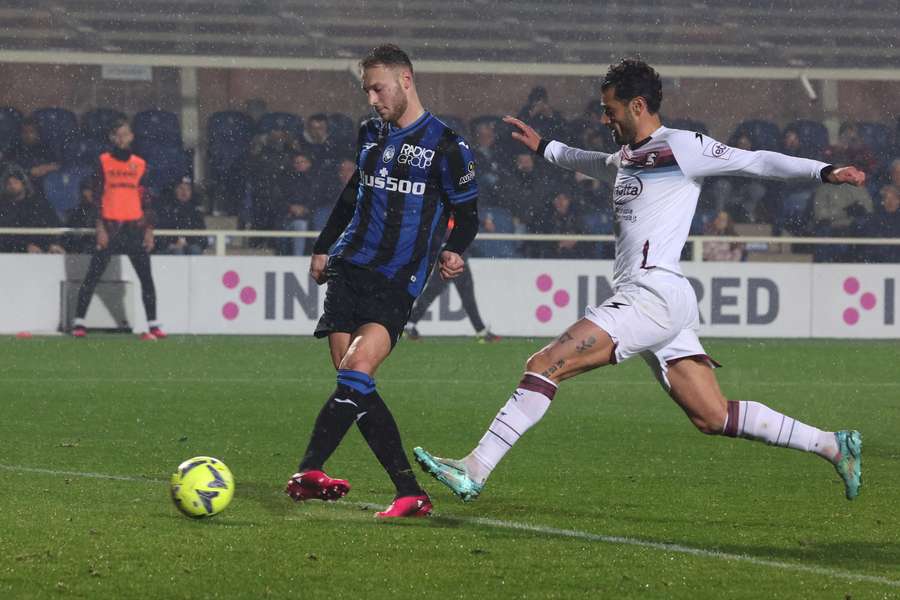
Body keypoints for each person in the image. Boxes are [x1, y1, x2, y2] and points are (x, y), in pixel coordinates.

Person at [414, 58, 865, 505]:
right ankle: (831, 444)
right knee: (711, 415)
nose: (603, 117)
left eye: (610, 109)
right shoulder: (626, 158)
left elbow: (756, 162)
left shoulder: (683, 147)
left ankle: (474, 467)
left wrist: (822, 171)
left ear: (638, 105)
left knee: (544, 364)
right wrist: (543, 146)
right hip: (661, 301)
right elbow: (586, 161)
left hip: (651, 299)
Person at [284, 44, 479, 518]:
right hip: (348, 268)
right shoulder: (370, 133)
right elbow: (353, 193)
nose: (372, 99)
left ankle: (310, 469)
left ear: (406, 80)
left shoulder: (448, 146)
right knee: (356, 386)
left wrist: (455, 249)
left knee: (354, 377)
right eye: (367, 90)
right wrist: (323, 245)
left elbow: (467, 213)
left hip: (395, 278)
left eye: (379, 88)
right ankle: (410, 494)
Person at [71, 119, 165, 340]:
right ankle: (79, 322)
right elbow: (96, 197)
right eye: (117, 135)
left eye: (125, 134)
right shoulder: (103, 162)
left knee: (146, 278)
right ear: (112, 138)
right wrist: (99, 227)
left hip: (134, 228)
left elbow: (147, 200)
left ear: (131, 136)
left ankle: (154, 325)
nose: (121, 138)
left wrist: (149, 229)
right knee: (93, 275)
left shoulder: (140, 164)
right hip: (111, 227)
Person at [404, 217, 499, 343]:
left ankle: (410, 324)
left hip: (446, 250)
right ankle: (481, 332)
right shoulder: (453, 206)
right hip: (453, 252)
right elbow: (466, 214)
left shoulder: (442, 208)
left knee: (433, 292)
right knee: (465, 295)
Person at [0, 164, 64, 254]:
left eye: (15, 182)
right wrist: (24, 247)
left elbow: (53, 225)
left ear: (23, 184)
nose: (12, 186)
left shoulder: (39, 205)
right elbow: (5, 237)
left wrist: (52, 244)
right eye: (8, 183)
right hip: (9, 255)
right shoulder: (2, 207)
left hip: (42, 254)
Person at [155, 177, 208, 255]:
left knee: (195, 250)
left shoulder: (196, 212)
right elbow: (160, 233)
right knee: (178, 251)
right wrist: (171, 243)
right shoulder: (166, 210)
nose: (184, 192)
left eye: (188, 189)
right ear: (175, 190)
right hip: (170, 248)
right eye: (181, 188)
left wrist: (187, 242)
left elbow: (202, 238)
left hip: (190, 246)